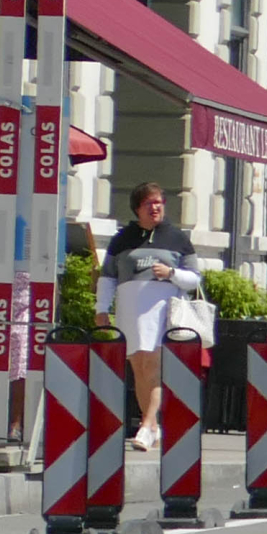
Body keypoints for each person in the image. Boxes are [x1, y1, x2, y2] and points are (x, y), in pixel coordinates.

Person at [95, 181, 203, 450]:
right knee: (139, 369)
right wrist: (101, 309)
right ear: (137, 208)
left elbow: (195, 279)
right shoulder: (122, 240)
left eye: (159, 203)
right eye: (149, 203)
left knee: (153, 366)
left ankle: (146, 424)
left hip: (162, 311)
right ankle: (152, 427)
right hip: (130, 311)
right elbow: (108, 277)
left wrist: (171, 274)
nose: (155, 208)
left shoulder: (177, 238)